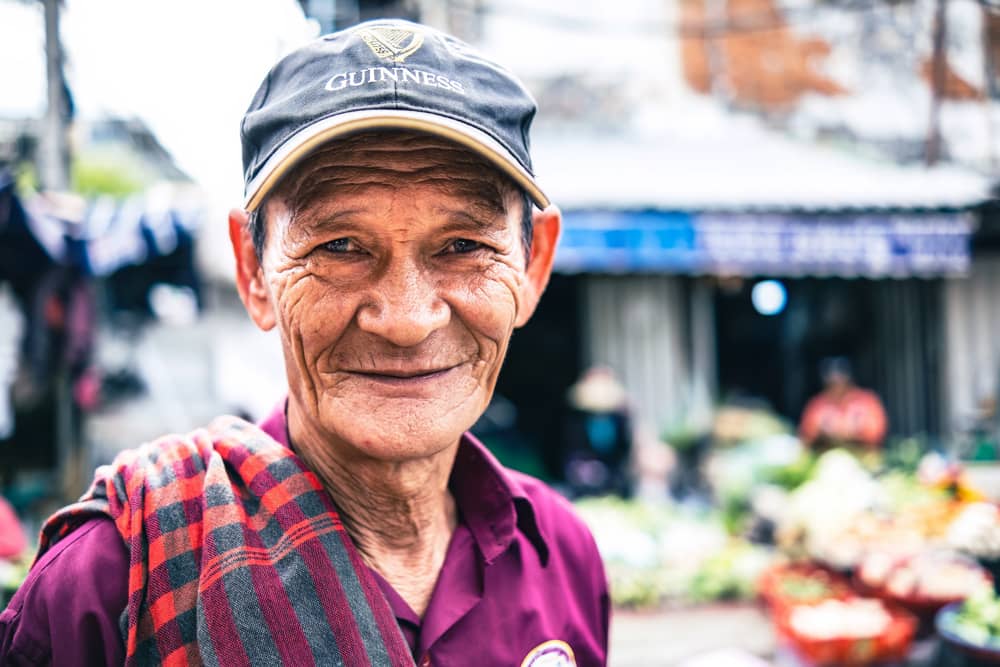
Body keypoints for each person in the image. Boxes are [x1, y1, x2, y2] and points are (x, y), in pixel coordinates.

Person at [0, 19, 609, 667]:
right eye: (340, 247)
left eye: (463, 246)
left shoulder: (560, 553)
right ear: (253, 271)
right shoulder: (106, 579)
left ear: (533, 264)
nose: (405, 319)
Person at [799, 357, 888, 450]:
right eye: (832, 383)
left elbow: (877, 432)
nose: (837, 387)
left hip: (863, 456)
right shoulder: (817, 404)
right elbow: (806, 435)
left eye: (841, 380)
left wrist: (853, 432)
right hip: (827, 455)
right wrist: (824, 432)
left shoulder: (866, 400)